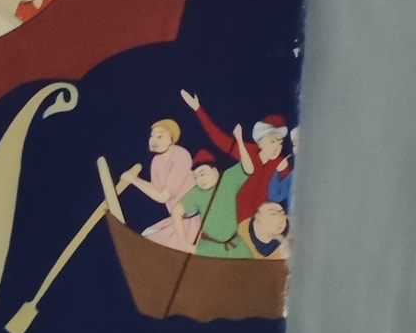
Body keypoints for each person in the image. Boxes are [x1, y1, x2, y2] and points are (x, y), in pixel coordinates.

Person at [180, 91, 293, 226]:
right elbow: (217, 137)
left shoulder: (280, 163)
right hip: (233, 218)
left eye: (280, 142)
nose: (277, 147)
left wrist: (283, 173)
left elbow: (286, 194)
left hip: (260, 222)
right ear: (260, 141)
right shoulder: (248, 152)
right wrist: (198, 109)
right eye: (272, 141)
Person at [124, 117, 197, 248]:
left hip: (192, 220)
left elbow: (163, 196)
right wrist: (135, 179)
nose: (153, 140)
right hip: (177, 220)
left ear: (171, 139)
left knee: (152, 247)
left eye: (160, 136)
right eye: (152, 136)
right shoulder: (157, 161)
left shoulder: (180, 155)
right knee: (146, 236)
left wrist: (134, 180)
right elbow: (156, 190)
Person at [177, 153, 252, 259]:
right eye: (195, 177)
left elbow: (248, 169)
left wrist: (240, 143)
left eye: (202, 174)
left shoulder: (228, 179)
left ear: (214, 170)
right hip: (209, 248)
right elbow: (176, 211)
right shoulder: (196, 193)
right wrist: (184, 244)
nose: (199, 180)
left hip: (235, 245)